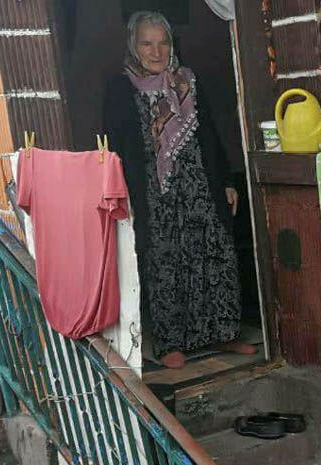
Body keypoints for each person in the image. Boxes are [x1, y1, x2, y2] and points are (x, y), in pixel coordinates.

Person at [103, 10, 256, 369]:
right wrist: (121, 193)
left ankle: (226, 332)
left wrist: (227, 181)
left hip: (200, 182)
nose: (156, 51)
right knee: (165, 260)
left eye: (163, 42)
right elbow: (113, 146)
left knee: (215, 253)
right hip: (153, 191)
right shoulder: (121, 87)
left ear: (172, 45)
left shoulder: (188, 81)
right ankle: (172, 342)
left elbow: (212, 135)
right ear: (133, 46)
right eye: (147, 43)